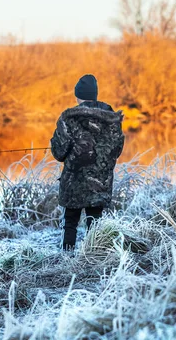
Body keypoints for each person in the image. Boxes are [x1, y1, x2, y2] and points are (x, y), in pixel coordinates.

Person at [50, 74, 125, 250]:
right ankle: (94, 255)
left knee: (70, 222)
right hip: (101, 182)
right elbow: (116, 151)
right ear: (95, 95)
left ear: (78, 96)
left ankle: (67, 257)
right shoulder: (112, 120)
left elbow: (58, 153)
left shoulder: (68, 119)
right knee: (95, 221)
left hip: (73, 182)